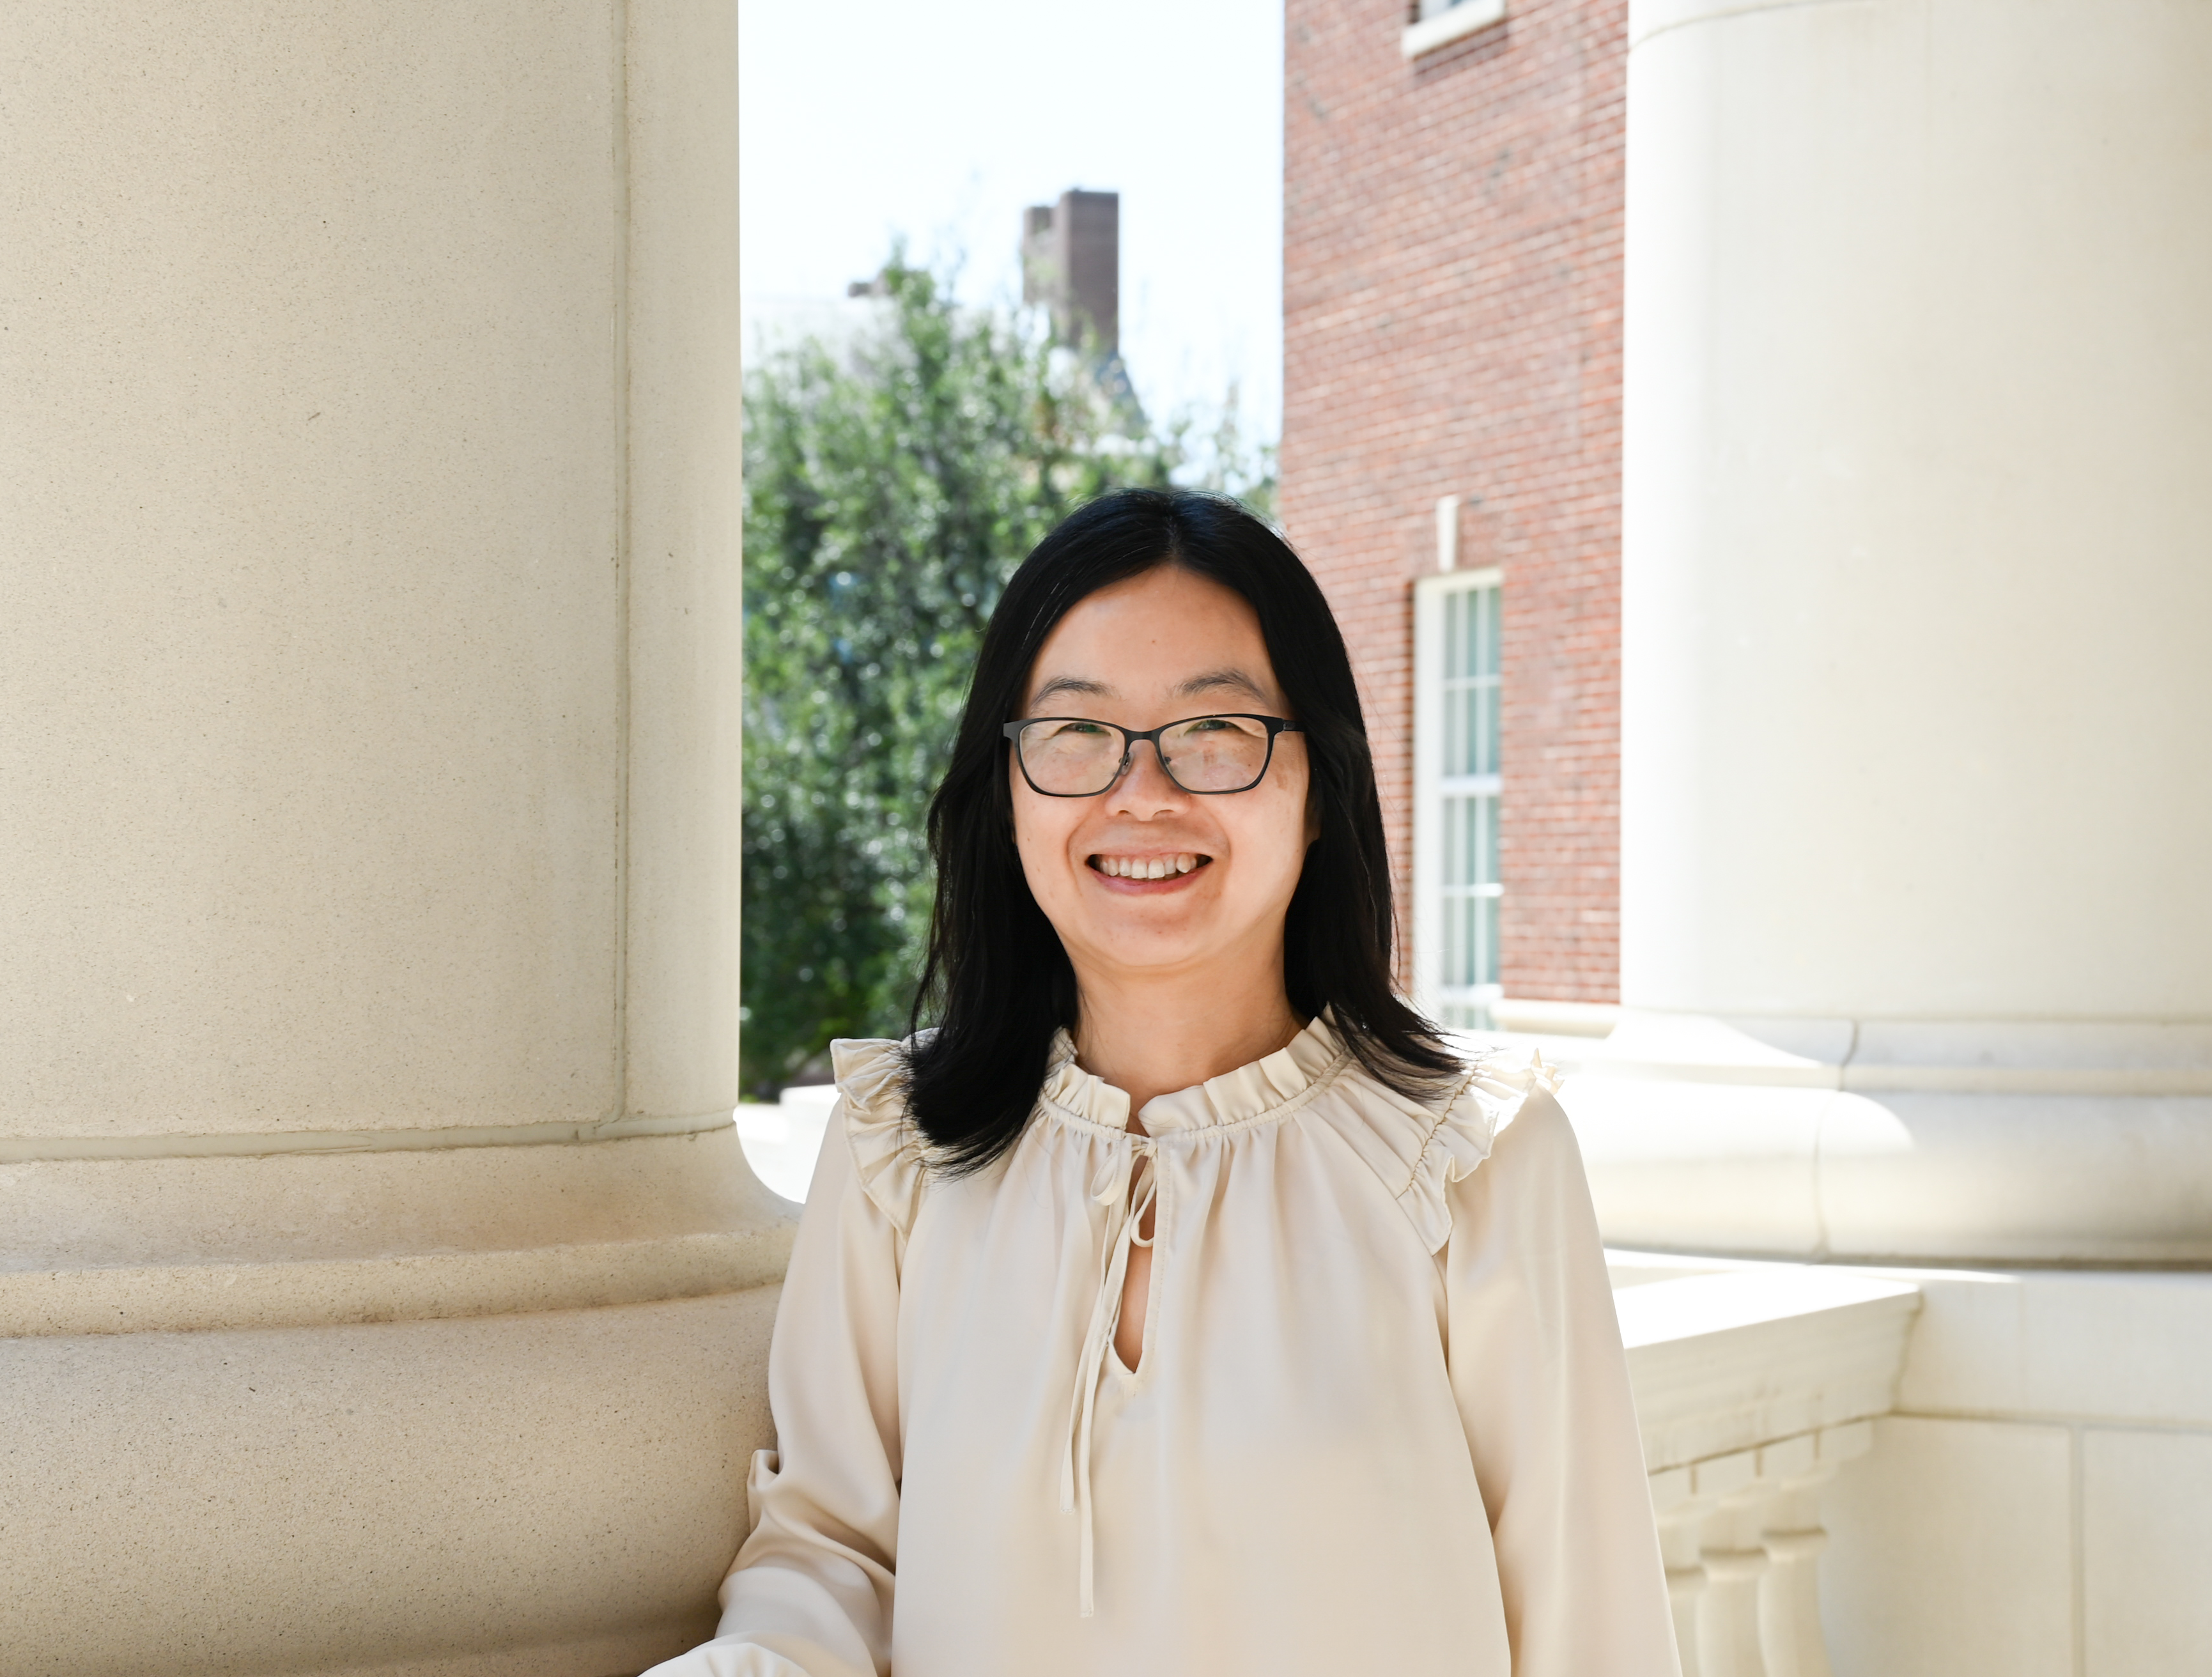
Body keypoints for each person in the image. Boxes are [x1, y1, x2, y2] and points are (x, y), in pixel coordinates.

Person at [651, 489, 1676, 1677]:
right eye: (1075, 734)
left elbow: (1591, 1630)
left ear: (1319, 787)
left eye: (1215, 733)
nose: (1142, 794)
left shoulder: (1474, 1160)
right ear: (1009, 789)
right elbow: (831, 1558)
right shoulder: (900, 1153)